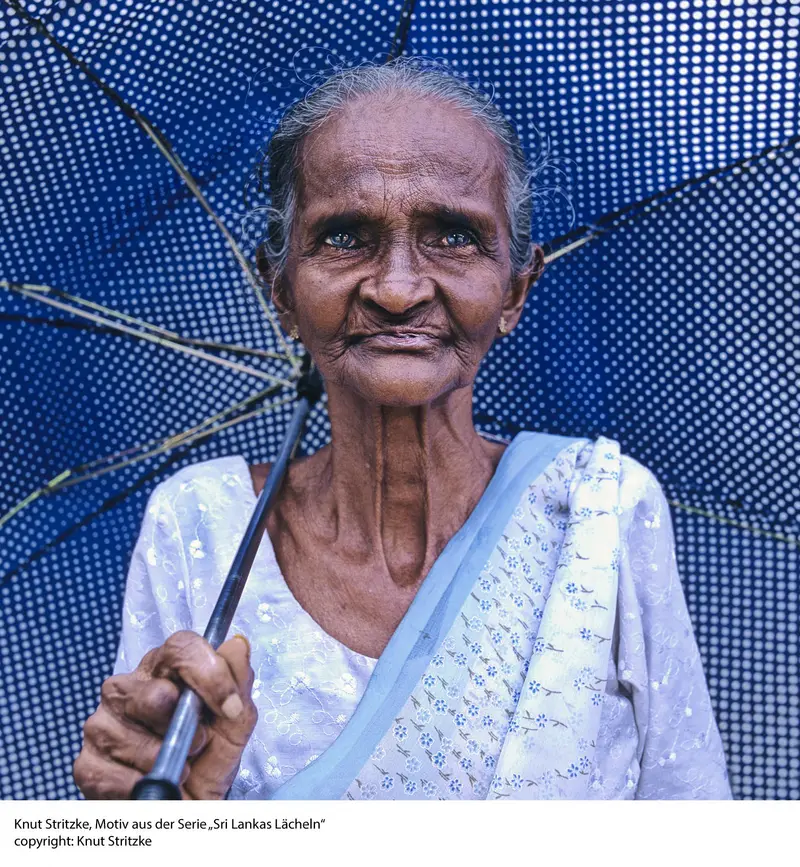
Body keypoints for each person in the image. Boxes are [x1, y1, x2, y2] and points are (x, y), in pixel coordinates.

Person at [73, 59, 731, 801]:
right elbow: (143, 827)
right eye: (344, 237)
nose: (397, 288)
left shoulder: (601, 513)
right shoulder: (200, 524)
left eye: (452, 236)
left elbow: (693, 815)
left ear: (515, 289)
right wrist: (162, 819)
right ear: (280, 289)